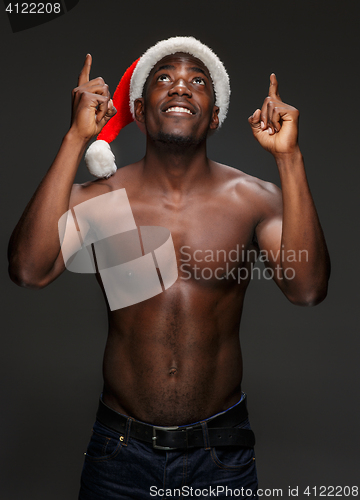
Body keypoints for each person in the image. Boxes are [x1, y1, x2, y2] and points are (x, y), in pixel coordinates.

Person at [8, 37, 330, 499]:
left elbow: (308, 289)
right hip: (119, 453)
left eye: (197, 81)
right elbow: (28, 270)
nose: (181, 87)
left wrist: (288, 158)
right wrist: (76, 138)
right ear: (138, 110)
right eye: (165, 78)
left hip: (222, 452)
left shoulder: (254, 199)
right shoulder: (103, 198)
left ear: (215, 116)